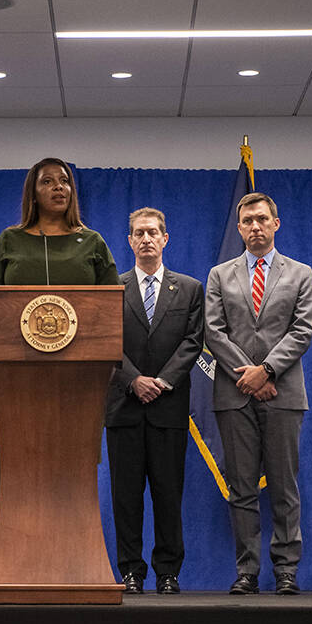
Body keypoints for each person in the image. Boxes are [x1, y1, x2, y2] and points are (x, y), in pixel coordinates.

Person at [204, 192, 312, 595]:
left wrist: (267, 371)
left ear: (275, 224)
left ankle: (286, 570)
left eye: (262, 219)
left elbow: (302, 330)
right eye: (247, 221)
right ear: (239, 228)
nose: (255, 226)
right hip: (234, 395)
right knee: (242, 488)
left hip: (283, 394)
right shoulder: (220, 275)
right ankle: (246, 571)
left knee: (285, 487)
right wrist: (249, 376)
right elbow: (213, 331)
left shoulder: (300, 273)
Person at [105, 208, 205, 595]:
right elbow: (106, 343)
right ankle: (131, 571)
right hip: (124, 409)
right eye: (138, 233)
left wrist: (161, 381)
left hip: (167, 408)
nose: (146, 239)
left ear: (166, 238)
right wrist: (134, 381)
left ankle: (168, 572)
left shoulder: (191, 289)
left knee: (168, 494)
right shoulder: (113, 287)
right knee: (126, 498)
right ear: (129, 241)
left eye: (153, 233)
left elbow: (193, 341)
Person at [0, 157, 118, 286]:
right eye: (47, 181)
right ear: (33, 194)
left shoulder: (92, 241)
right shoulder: (10, 239)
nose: (58, 186)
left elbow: (114, 301)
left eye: (64, 181)